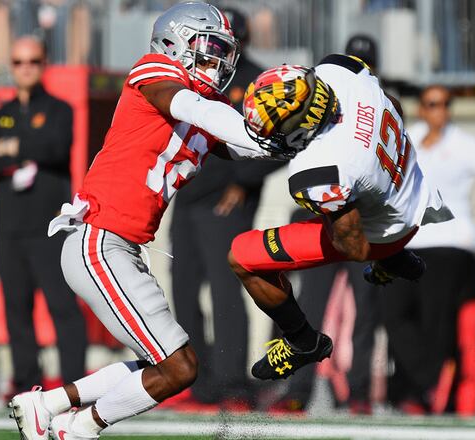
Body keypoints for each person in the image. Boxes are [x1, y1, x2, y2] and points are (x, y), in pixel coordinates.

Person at [7, 4, 274, 440]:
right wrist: (256, 132)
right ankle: (76, 429)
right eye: (208, 51)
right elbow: (197, 111)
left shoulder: (207, 106)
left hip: (123, 247)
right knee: (179, 366)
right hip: (99, 240)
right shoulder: (155, 71)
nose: (218, 64)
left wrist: (297, 135)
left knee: (171, 363)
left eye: (223, 55)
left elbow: (252, 147)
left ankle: (49, 403)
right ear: (175, 43)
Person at [228, 55, 453, 383]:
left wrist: (379, 253)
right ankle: (395, 257)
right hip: (414, 189)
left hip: (382, 234)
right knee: (363, 192)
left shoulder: (317, 170)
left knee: (243, 257)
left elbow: (355, 246)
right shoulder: (338, 71)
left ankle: (302, 341)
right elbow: (393, 107)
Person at [168, 6, 283, 410]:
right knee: (181, 291)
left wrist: (243, 182)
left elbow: (279, 138)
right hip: (187, 195)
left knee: (224, 291)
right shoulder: (194, 77)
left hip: (225, 203)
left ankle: (234, 382)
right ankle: (194, 382)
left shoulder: (256, 77)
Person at [266, 35, 383, 416]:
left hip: (363, 214)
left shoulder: (377, 104)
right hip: (322, 209)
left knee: (365, 309)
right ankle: (298, 388)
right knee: (309, 302)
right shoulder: (315, 98)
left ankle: (360, 391)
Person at [382, 85, 475, 414]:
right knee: (393, 313)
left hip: (451, 243)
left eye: (445, 104)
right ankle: (425, 382)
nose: (440, 110)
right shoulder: (409, 141)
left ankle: (429, 390)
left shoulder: (464, 144)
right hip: (410, 242)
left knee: (435, 320)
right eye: (432, 104)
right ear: (422, 109)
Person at [0, 36, 87, 400]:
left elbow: (56, 147)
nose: (26, 68)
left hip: (48, 225)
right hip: (9, 225)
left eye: (33, 61)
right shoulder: (0, 113)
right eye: (19, 62)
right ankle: (27, 383)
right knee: (16, 307)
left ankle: (75, 383)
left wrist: (13, 146)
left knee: (62, 305)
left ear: (44, 64)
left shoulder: (59, 109)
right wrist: (24, 145)